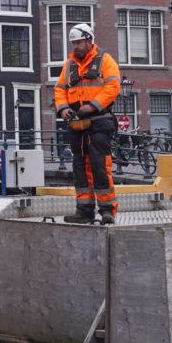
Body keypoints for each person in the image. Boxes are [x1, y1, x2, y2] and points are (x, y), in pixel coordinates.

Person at [54, 22, 121, 224]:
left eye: (79, 42)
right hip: (77, 124)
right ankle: (84, 210)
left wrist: (93, 105)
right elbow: (59, 89)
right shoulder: (70, 65)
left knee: (99, 165)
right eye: (73, 43)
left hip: (99, 121)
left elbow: (113, 86)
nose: (75, 46)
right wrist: (63, 108)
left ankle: (107, 210)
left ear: (89, 40)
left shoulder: (104, 61)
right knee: (80, 165)